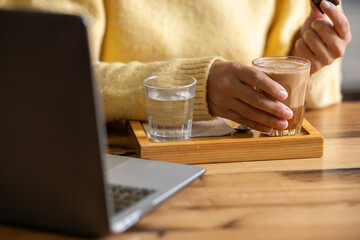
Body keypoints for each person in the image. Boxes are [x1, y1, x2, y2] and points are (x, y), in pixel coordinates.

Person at [1, 0, 351, 133]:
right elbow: (36, 78)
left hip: (251, 176)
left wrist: (314, 59)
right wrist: (195, 88)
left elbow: (311, 101)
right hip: (113, 170)